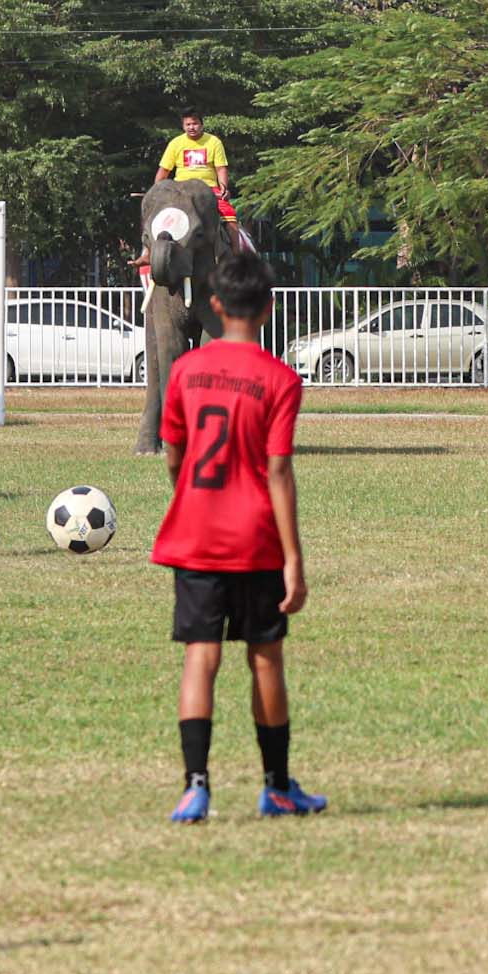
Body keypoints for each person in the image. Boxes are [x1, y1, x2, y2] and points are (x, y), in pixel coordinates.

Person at [151, 250, 323, 824]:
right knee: (265, 660)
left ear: (216, 305)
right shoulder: (279, 378)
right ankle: (277, 787)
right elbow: (278, 470)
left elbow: (175, 453)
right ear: (269, 309)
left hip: (195, 535)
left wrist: (187, 495)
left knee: (200, 659)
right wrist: (294, 559)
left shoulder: (185, 372)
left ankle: (194, 786)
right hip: (254, 539)